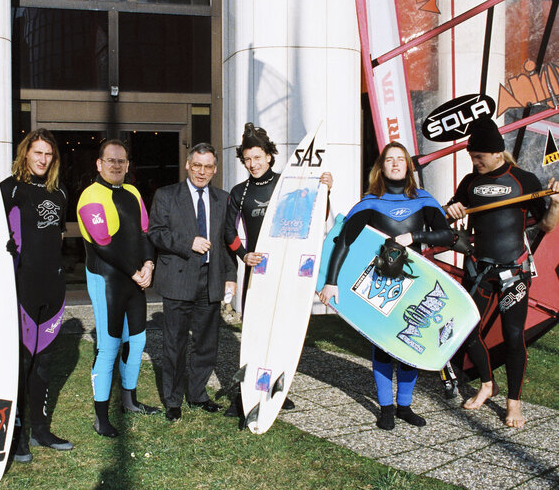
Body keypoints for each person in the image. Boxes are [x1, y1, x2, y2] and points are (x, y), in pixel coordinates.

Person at [318, 141, 455, 430]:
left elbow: (446, 235)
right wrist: (331, 283)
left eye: (400, 159)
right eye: (389, 159)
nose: (395, 164)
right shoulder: (371, 202)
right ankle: (387, 408)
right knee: (383, 344)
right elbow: (343, 242)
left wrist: (414, 236)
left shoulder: (423, 200)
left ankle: (405, 405)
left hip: (415, 283)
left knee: (411, 341)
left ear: (407, 166)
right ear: (381, 167)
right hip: (378, 283)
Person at [446, 117, 559, 428]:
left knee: (512, 336)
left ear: (497, 153)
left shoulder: (525, 180)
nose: (474, 161)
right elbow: (451, 213)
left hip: (514, 273)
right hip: (480, 270)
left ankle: (514, 404)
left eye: (479, 156)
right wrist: (452, 209)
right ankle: (486, 384)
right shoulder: (469, 182)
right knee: (468, 331)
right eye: (472, 156)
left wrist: (557, 205)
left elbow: (547, 225)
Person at [223, 122, 333, 416]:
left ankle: (277, 391)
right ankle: (245, 395)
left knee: (283, 328)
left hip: (286, 272)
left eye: (257, 157)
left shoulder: (290, 183)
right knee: (255, 331)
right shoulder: (240, 192)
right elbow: (227, 232)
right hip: (259, 273)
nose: (253, 164)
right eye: (247, 159)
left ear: (269, 156)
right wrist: (244, 256)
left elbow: (316, 218)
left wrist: (325, 190)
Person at [76, 139, 160, 437]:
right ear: (98, 164)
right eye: (110, 160)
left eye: (121, 161)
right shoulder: (90, 197)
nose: (116, 165)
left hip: (135, 278)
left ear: (127, 165)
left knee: (136, 341)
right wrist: (136, 271)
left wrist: (149, 265)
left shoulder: (133, 193)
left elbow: (144, 234)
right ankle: (101, 417)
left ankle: (130, 401)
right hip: (107, 280)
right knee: (109, 346)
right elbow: (104, 244)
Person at [148, 143, 237, 422]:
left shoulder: (222, 199)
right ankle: (173, 401)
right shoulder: (166, 196)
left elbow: (227, 242)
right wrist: (189, 243)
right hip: (178, 279)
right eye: (197, 165)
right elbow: (156, 233)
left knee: (206, 343)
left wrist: (230, 277)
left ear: (215, 169)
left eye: (208, 166)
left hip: (210, 280)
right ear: (188, 165)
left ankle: (198, 395)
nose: (201, 171)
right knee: (174, 343)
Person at [0, 128, 74, 461]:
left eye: (49, 154)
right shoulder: (8, 190)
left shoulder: (58, 194)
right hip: (21, 287)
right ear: (25, 154)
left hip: (52, 288)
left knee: (44, 361)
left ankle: (40, 430)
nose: (43, 159)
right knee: (23, 362)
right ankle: (16, 437)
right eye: (37, 152)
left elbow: (55, 238)